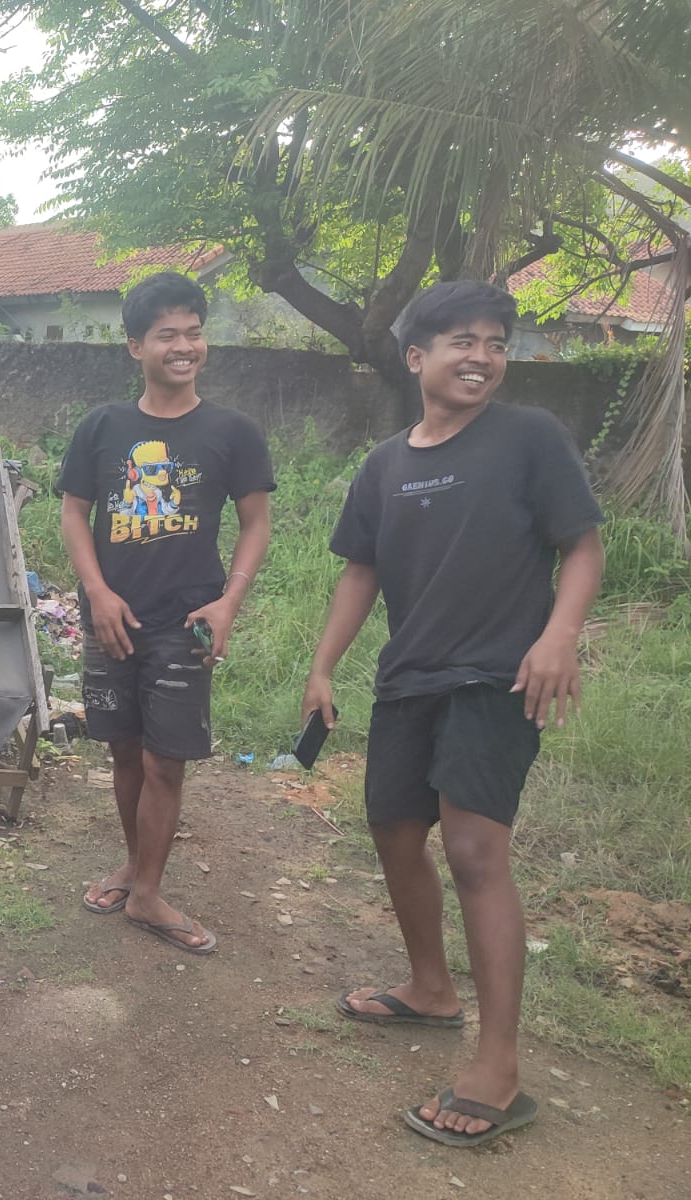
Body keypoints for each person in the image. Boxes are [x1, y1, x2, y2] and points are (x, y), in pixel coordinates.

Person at [302, 280, 605, 1147]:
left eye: (496, 343)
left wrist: (560, 635)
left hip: (497, 677)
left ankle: (499, 1067)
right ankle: (431, 990)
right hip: (410, 677)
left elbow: (582, 545)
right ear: (416, 356)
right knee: (395, 833)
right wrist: (323, 665)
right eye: (463, 341)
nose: (482, 356)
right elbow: (361, 570)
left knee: (474, 850)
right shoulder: (385, 464)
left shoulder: (528, 438)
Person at [58, 272, 275, 954]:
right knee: (123, 750)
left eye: (193, 333)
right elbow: (73, 512)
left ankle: (148, 893)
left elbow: (257, 523)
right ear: (135, 347)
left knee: (165, 761)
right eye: (166, 335)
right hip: (113, 619)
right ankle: (134, 866)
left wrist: (229, 601)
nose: (183, 347)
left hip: (186, 622)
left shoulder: (232, 432)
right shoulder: (103, 427)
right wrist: (96, 592)